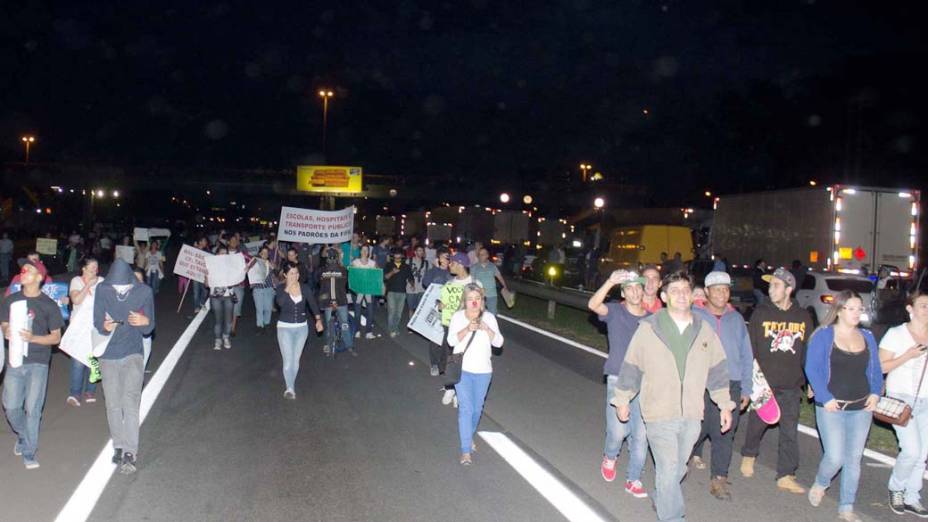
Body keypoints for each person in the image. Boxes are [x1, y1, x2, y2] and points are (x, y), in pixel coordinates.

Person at [611, 271, 734, 521]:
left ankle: (661, 494)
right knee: (668, 468)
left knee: (678, 469)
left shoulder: (704, 330)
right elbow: (632, 365)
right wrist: (622, 398)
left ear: (692, 296)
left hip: (691, 413)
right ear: (664, 296)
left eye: (685, 290)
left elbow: (718, 370)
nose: (681, 295)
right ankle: (673, 517)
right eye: (675, 290)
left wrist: (725, 404)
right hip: (658, 412)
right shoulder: (649, 328)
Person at [805, 290, 882, 522]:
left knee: (853, 460)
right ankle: (821, 482)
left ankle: (846, 506)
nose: (857, 312)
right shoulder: (824, 335)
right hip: (831, 407)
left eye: (860, 308)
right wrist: (825, 396)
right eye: (851, 308)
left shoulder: (867, 336)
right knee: (835, 456)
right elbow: (812, 368)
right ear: (839, 310)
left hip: (861, 407)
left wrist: (876, 393)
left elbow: (876, 370)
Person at [739, 267, 814, 494]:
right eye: (770, 285)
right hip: (764, 383)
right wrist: (748, 379)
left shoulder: (802, 317)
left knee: (789, 431)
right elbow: (749, 348)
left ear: (789, 289)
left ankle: (786, 474)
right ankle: (749, 454)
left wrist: (811, 381)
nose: (771, 289)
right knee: (757, 423)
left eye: (776, 285)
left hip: (792, 385)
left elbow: (808, 350)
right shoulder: (761, 313)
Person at [689, 271, 753, 500]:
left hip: (731, 383)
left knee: (725, 433)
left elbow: (746, 354)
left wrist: (747, 388)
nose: (721, 293)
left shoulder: (735, 319)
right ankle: (674, 468)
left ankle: (719, 479)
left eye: (725, 289)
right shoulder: (694, 316)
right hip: (700, 384)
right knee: (695, 429)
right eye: (716, 289)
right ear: (706, 292)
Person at [587, 269, 650, 499]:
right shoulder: (615, 311)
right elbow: (593, 305)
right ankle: (610, 456)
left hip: (644, 383)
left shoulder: (652, 319)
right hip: (618, 378)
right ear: (623, 292)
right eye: (630, 287)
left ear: (643, 291)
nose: (635, 291)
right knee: (617, 431)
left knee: (641, 435)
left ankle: (633, 478)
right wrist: (610, 281)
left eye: (638, 287)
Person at [93, 258, 155, 474]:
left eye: (124, 286)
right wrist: (105, 325)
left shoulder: (144, 292)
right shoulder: (102, 290)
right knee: (113, 403)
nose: (119, 289)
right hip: (108, 354)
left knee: (130, 402)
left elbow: (149, 328)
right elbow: (97, 322)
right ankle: (118, 445)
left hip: (133, 353)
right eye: (116, 286)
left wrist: (144, 321)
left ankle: (130, 451)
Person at [1, 261, 65, 469]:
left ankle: (29, 451)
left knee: (33, 409)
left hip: (38, 361)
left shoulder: (48, 305)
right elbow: (4, 323)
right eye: (23, 269)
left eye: (30, 270)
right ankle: (23, 434)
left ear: (40, 277)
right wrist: (7, 330)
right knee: (10, 406)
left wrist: (33, 338)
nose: (24, 271)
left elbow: (55, 338)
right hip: (15, 360)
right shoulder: (10, 300)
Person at [879, 290, 928, 517]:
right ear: (910, 309)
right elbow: (881, 367)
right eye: (923, 306)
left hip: (926, 399)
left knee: (923, 453)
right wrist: (907, 356)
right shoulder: (896, 334)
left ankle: (912, 496)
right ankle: (896, 488)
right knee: (911, 450)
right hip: (901, 399)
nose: (927, 310)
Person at [447, 283, 504, 465]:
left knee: (477, 409)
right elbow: (450, 340)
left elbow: (499, 343)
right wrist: (467, 330)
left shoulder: (489, 317)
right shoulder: (457, 317)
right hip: (462, 369)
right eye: (470, 299)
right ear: (465, 300)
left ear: (482, 301)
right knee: (466, 408)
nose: (474, 302)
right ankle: (465, 451)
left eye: (477, 299)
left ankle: (469, 436)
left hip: (484, 371)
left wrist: (486, 328)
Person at [274, 262, 323, 399]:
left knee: (295, 360)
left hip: (302, 328)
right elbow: (280, 303)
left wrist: (318, 320)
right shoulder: (280, 288)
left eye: (296, 273)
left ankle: (291, 385)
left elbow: (313, 304)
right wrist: (288, 286)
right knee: (288, 361)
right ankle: (290, 388)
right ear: (285, 275)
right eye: (291, 274)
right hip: (284, 328)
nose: (295, 276)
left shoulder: (305, 288)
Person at [439, 252, 480, 405]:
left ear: (461, 264)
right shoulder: (449, 284)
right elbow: (441, 302)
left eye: (453, 263)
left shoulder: (474, 284)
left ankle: (460, 392)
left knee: (465, 359)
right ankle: (450, 387)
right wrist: (440, 306)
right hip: (449, 326)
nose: (450, 265)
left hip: (468, 327)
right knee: (449, 358)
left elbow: (480, 306)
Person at [66, 257, 103, 406]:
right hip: (79, 328)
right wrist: (88, 285)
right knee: (78, 361)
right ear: (84, 268)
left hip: (95, 327)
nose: (95, 269)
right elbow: (76, 300)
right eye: (92, 267)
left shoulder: (102, 281)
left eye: (96, 267)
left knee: (93, 361)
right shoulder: (76, 281)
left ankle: (90, 390)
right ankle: (75, 394)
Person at [318, 247, 355, 355]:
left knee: (337, 324)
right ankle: (349, 346)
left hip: (333, 301)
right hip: (339, 301)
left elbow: (320, 284)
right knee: (344, 324)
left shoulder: (323, 270)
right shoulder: (342, 270)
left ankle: (331, 346)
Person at [422, 248, 452, 376]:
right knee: (435, 337)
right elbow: (425, 283)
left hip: (449, 309)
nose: (447, 259)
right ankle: (434, 364)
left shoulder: (452, 273)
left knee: (447, 339)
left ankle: (443, 364)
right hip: (435, 308)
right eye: (445, 257)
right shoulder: (433, 271)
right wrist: (436, 269)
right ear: (439, 258)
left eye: (448, 257)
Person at [350, 244, 380, 339]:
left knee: (370, 311)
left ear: (369, 252)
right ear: (360, 251)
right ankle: (357, 330)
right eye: (363, 250)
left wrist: (377, 268)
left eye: (366, 250)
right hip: (357, 291)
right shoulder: (355, 262)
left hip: (369, 290)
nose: (364, 251)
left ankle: (369, 332)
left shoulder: (372, 263)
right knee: (357, 311)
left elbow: (376, 275)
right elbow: (352, 276)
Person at [384, 248, 413, 337]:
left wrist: (412, 284)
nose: (397, 258)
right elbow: (385, 277)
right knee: (392, 311)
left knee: (399, 312)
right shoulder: (389, 265)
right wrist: (393, 272)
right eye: (396, 256)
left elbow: (410, 277)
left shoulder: (406, 266)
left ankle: (395, 328)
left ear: (402, 256)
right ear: (393, 256)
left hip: (402, 292)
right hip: (391, 291)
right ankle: (391, 329)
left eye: (399, 256)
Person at [471, 247, 509, 315]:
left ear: (487, 255)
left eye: (483, 254)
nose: (481, 256)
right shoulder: (474, 267)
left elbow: (499, 276)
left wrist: (505, 287)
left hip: (492, 294)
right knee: (479, 314)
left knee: (492, 314)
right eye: (480, 254)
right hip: (479, 295)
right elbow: (472, 281)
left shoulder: (492, 266)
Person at [250, 246, 275, 334]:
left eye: (267, 253)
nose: (265, 254)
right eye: (263, 252)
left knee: (268, 308)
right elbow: (248, 270)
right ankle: (260, 326)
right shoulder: (255, 262)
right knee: (259, 309)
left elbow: (275, 274)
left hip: (268, 288)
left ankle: (266, 323)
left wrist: (272, 266)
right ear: (260, 253)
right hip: (258, 288)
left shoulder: (270, 262)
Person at [406, 244, 429, 316]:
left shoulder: (426, 263)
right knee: (411, 308)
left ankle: (417, 325)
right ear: (415, 252)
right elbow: (405, 274)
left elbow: (429, 275)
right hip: (410, 288)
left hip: (422, 289)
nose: (421, 252)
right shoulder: (408, 261)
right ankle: (411, 325)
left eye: (422, 251)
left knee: (420, 309)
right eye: (419, 250)